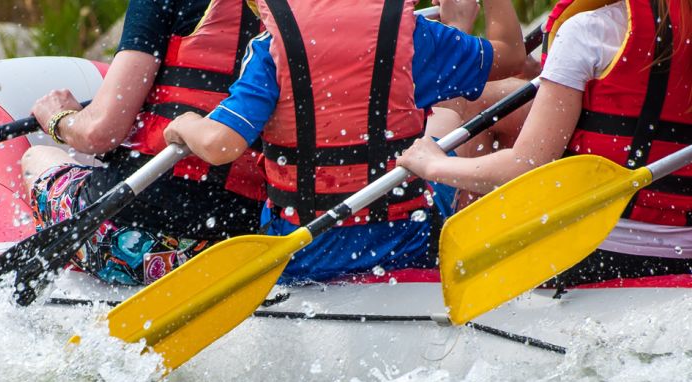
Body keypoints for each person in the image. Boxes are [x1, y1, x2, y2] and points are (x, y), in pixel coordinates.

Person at [163, 0, 526, 282]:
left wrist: (185, 124)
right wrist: (458, 24)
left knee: (446, 115)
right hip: (406, 242)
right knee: (449, 117)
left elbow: (219, 145)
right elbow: (510, 55)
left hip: (304, 253)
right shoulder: (409, 33)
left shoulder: (272, 47)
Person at [398, 0, 692, 285]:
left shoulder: (589, 31)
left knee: (459, 108)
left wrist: (434, 164)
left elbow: (525, 167)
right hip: (685, 253)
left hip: (595, 253)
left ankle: (465, 265)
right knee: (488, 100)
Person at [22, 0, 266, 285]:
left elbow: (99, 133)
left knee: (38, 157)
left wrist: (59, 118)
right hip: (247, 243)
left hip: (133, 240)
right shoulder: (295, 15)